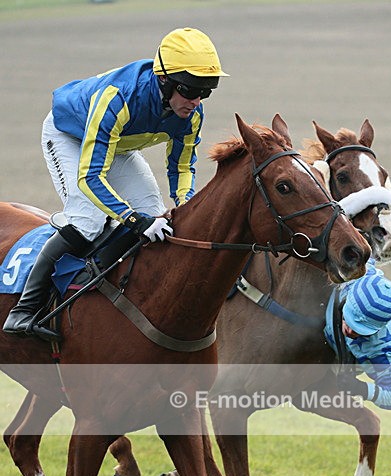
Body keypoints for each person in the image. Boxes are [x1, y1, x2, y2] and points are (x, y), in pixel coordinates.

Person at [4, 27, 228, 341]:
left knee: (157, 214)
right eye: (189, 90)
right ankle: (23, 311)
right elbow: (90, 177)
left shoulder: (191, 115)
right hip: (69, 136)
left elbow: (181, 167)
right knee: (90, 220)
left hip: (117, 144)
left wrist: (185, 205)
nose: (196, 100)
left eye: (206, 91)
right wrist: (134, 220)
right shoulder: (118, 98)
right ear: (164, 79)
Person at [324, 263, 391, 410]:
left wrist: (362, 389)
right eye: (350, 320)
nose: (350, 331)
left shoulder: (380, 349)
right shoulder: (354, 270)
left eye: (360, 330)